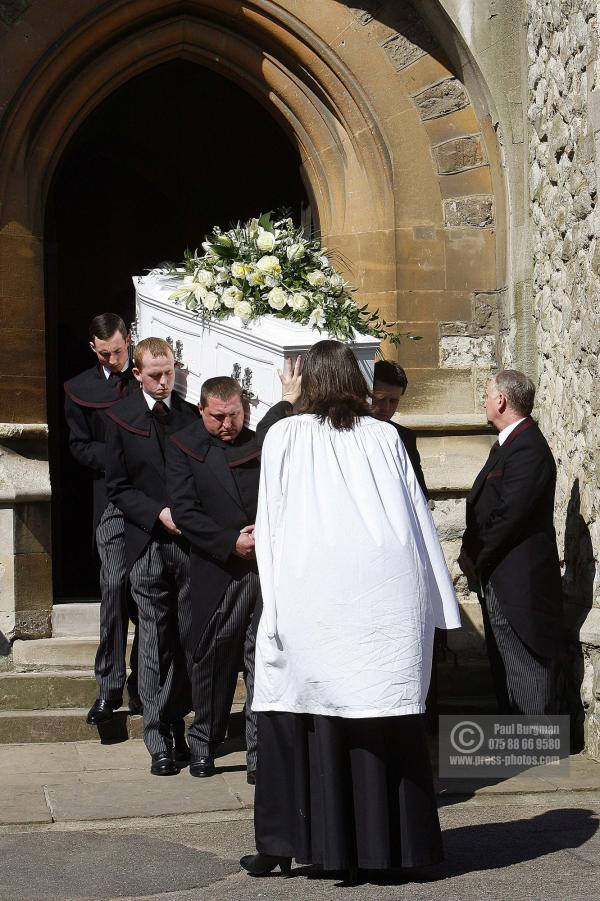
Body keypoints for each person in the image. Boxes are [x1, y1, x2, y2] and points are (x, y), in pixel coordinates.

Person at [241, 340, 461, 880]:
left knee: (303, 706)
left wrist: (274, 601)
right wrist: (436, 604)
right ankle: (391, 848)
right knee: (378, 705)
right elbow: (417, 521)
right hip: (383, 594)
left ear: (305, 383)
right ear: (357, 382)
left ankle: (285, 842)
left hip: (312, 594)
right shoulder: (385, 436)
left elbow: (270, 520)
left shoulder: (286, 434)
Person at [105, 337, 197, 775]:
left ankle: (178, 724)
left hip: (187, 546)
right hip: (145, 542)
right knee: (154, 640)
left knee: (183, 639)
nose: (164, 382)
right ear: (137, 374)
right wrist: (158, 513)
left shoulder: (188, 416)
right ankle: (157, 736)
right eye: (156, 375)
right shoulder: (121, 419)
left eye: (170, 372)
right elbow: (118, 488)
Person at [166, 377, 262, 782]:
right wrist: (229, 542)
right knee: (211, 659)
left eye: (235, 415)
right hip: (216, 567)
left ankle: (260, 755)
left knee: (263, 663)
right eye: (219, 417)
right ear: (202, 410)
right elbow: (185, 511)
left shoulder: (262, 444)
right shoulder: (183, 446)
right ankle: (204, 742)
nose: (228, 425)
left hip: (264, 568)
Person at [459, 370, 563, 715]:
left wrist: (475, 554)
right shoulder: (509, 444)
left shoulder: (528, 449)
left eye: (487, 395)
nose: (485, 402)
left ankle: (535, 741)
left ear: (501, 400)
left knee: (524, 661)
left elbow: (509, 515)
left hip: (518, 581)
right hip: (499, 576)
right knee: (507, 658)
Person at [64, 313, 141, 725]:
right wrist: (116, 461)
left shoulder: (151, 374)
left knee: (149, 594)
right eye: (104, 353)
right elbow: (79, 445)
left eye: (118, 350)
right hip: (111, 497)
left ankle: (143, 685)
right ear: (93, 349)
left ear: (128, 339)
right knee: (113, 585)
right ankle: (108, 688)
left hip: (152, 500)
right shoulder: (81, 388)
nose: (113, 358)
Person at [371, 359, 429, 500]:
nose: (386, 408)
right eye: (380, 399)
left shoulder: (405, 437)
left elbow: (419, 493)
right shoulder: (347, 434)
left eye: (393, 401)